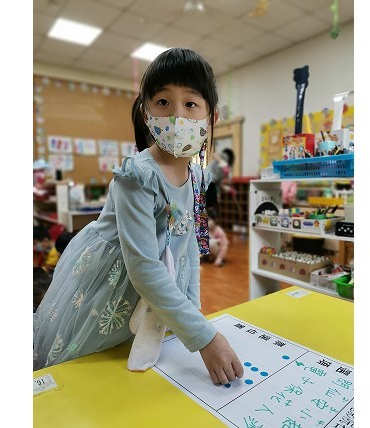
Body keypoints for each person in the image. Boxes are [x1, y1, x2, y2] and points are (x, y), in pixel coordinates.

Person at [33, 47, 244, 385]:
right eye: (163, 102)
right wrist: (205, 339)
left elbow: (189, 247)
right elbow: (144, 268)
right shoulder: (138, 175)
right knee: (92, 371)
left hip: (149, 290)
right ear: (147, 113)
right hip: (109, 287)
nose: (177, 116)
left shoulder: (196, 177)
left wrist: (193, 314)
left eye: (191, 104)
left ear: (211, 118)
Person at [205, 147, 235, 215]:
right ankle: (210, 215)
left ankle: (210, 215)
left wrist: (229, 189)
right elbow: (215, 155)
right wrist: (224, 165)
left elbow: (219, 183)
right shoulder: (225, 156)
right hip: (207, 180)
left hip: (211, 184)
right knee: (210, 205)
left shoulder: (223, 171)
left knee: (212, 205)